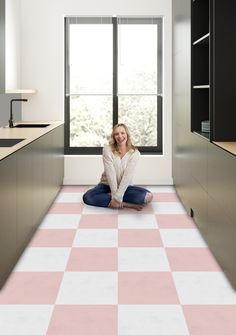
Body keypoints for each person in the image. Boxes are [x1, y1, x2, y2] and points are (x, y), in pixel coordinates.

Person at [83, 123, 153, 211]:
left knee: (148, 196)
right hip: (106, 185)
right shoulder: (107, 149)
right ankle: (125, 204)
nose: (120, 136)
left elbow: (128, 176)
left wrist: (117, 196)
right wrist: (116, 197)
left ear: (127, 134)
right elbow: (110, 174)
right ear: (114, 137)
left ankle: (111, 200)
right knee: (87, 197)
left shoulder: (135, 153)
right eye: (116, 134)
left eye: (122, 133)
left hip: (125, 186)